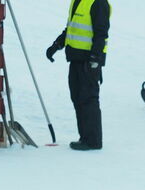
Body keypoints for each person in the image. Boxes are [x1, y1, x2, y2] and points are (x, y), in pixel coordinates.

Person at [46, 0, 111, 151]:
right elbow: (71, 29)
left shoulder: (98, 3)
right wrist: (56, 45)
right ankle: (84, 137)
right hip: (75, 59)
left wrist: (95, 60)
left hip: (89, 61)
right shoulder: (78, 1)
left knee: (88, 99)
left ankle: (93, 141)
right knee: (77, 98)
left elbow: (101, 34)